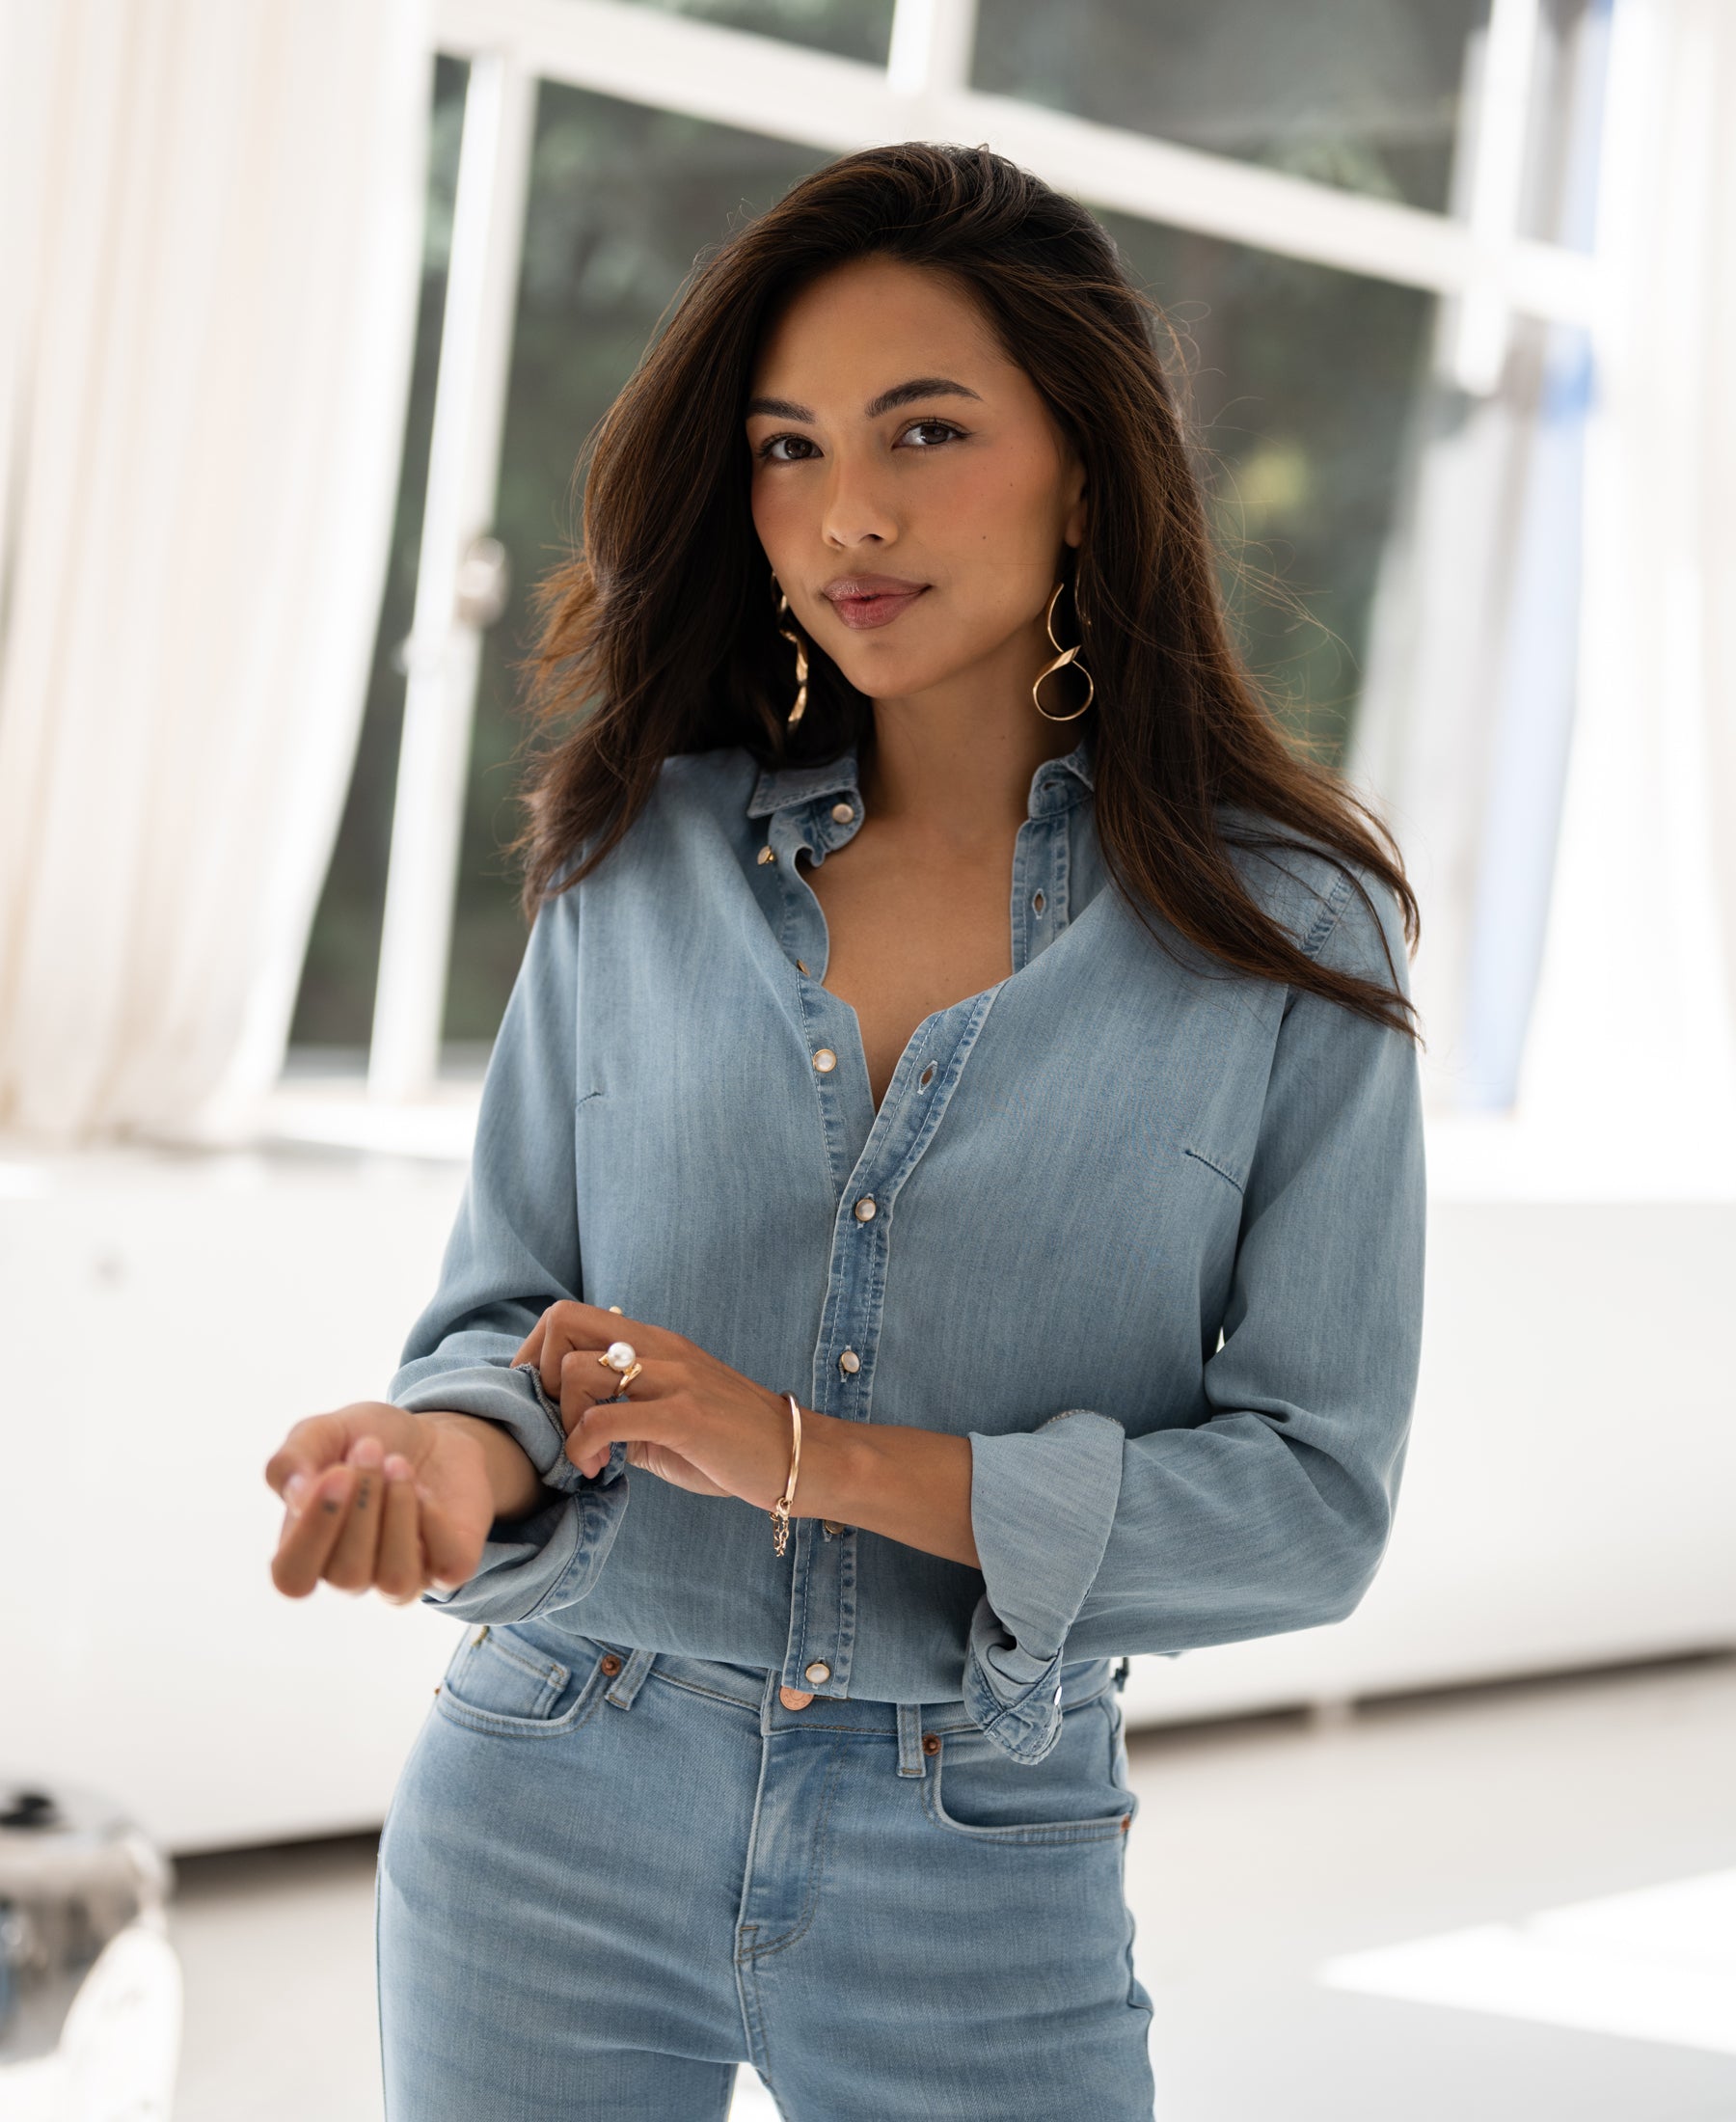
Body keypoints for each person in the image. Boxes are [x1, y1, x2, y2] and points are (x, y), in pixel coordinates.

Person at [264, 140, 1426, 2121]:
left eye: (925, 429)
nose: (846, 512)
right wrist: (449, 1457)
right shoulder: (632, 860)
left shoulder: (1291, 938)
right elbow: (508, 1322)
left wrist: (811, 1458)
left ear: (1085, 459)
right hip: (546, 1790)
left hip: (975, 1847)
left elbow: (1314, 1502)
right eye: (789, 447)